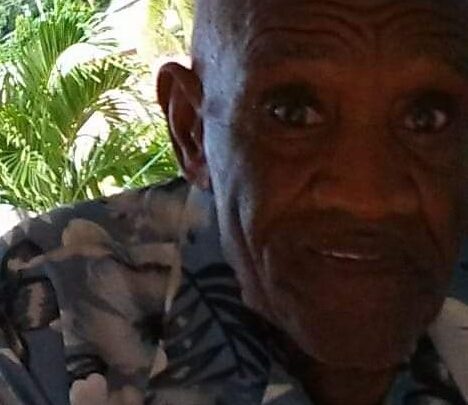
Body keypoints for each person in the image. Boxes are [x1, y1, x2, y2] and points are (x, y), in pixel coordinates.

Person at [1, 0, 468, 403]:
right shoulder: (50, 307)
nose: (367, 198)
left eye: (427, 120)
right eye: (293, 115)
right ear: (192, 131)